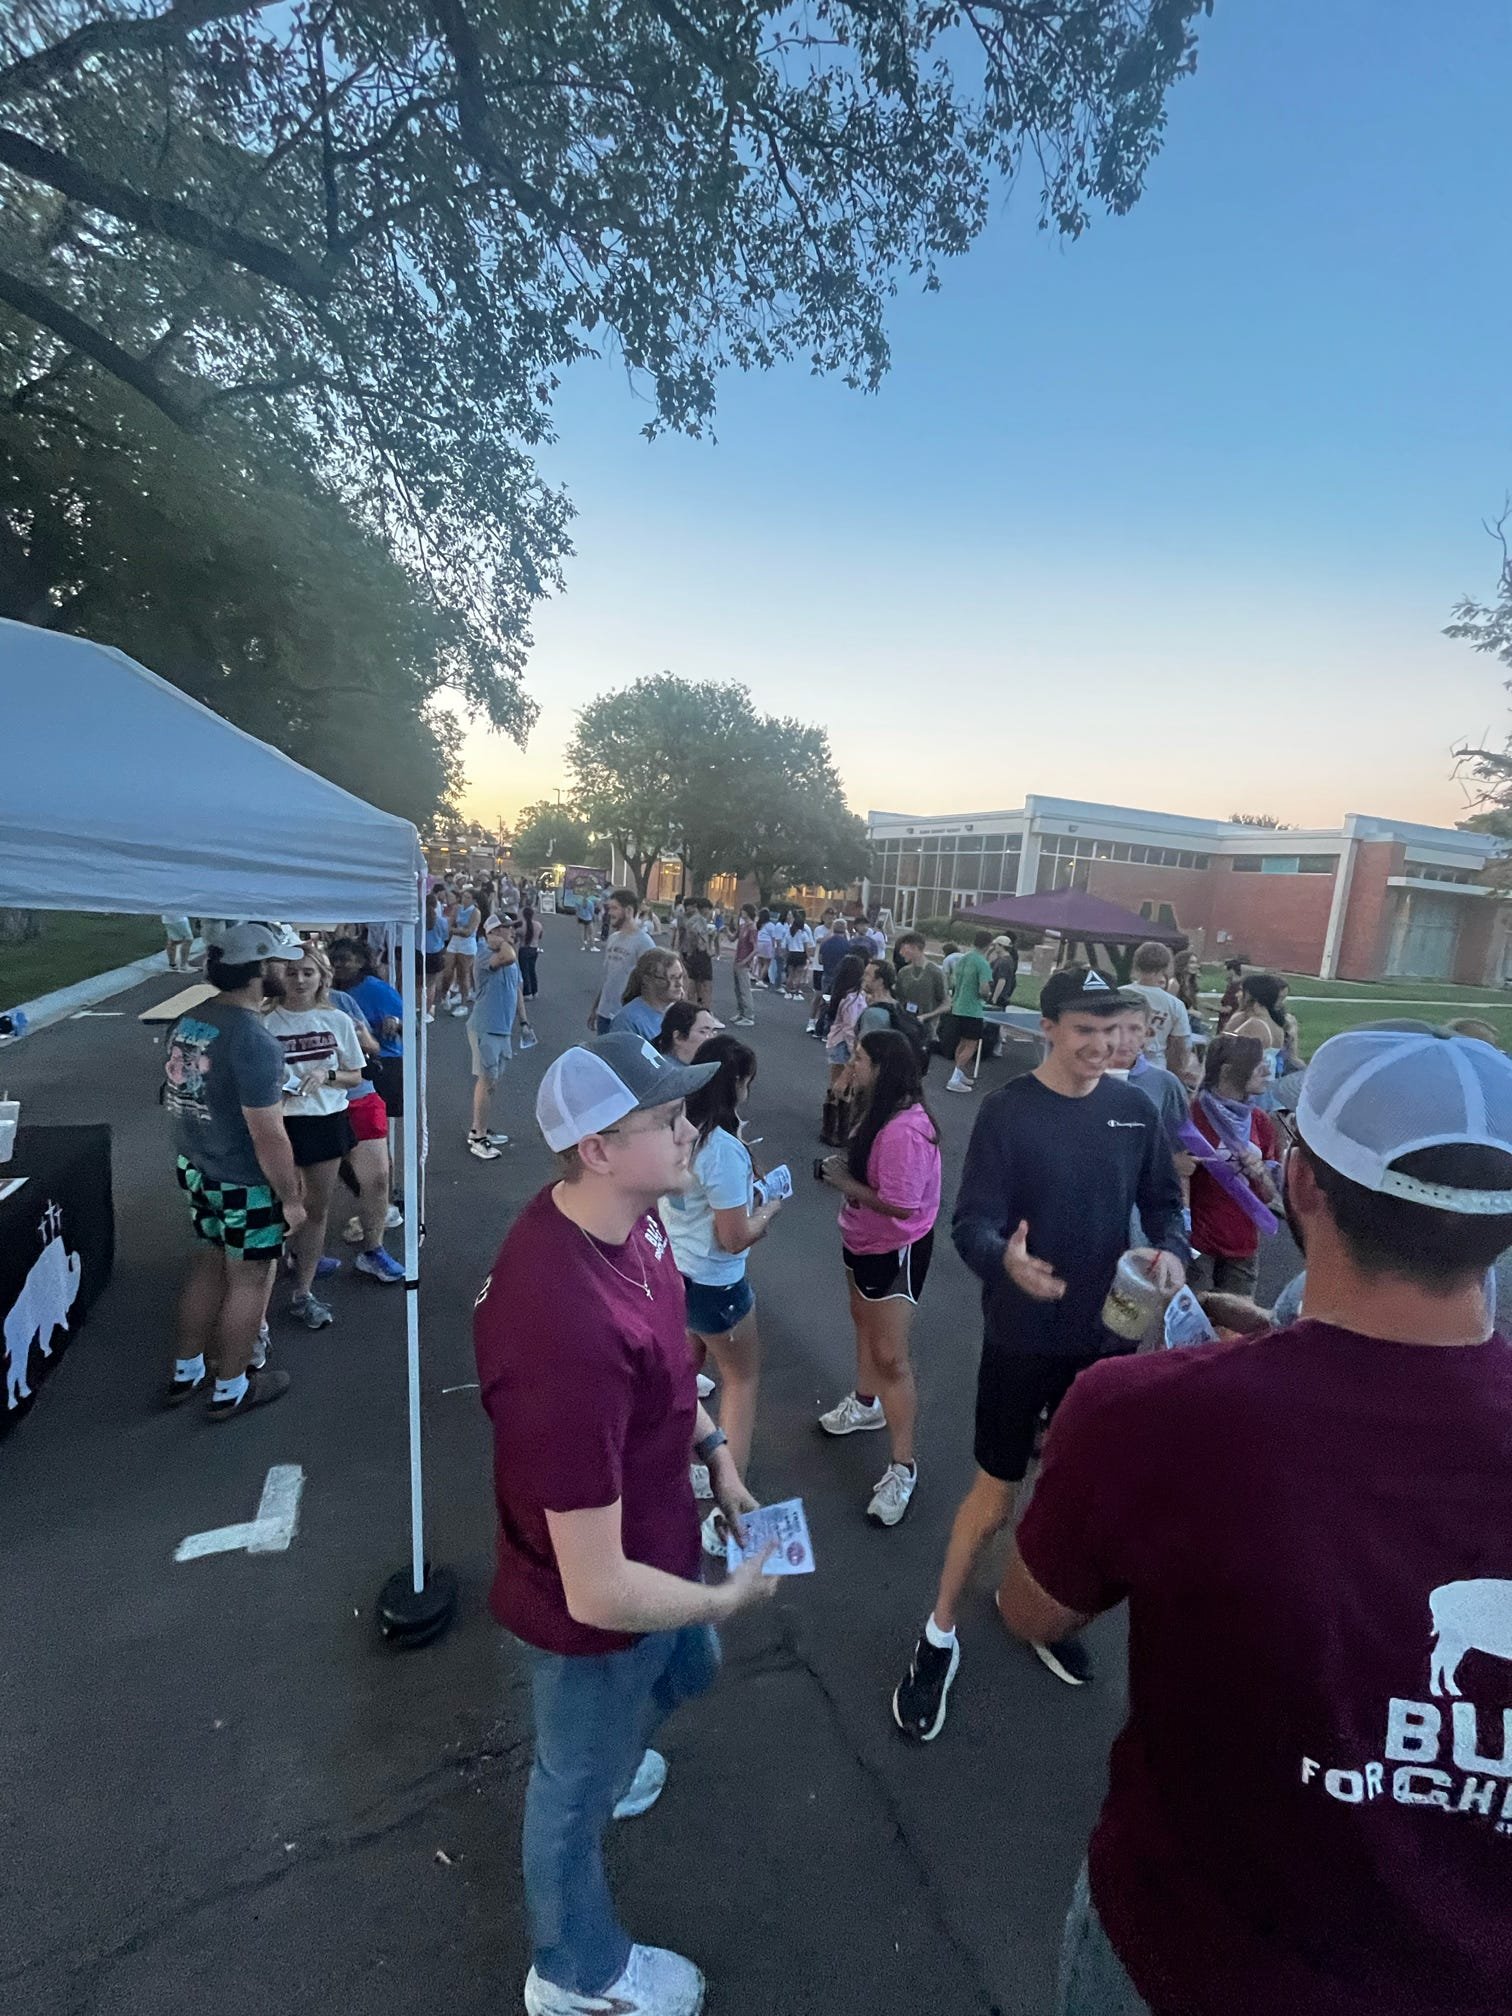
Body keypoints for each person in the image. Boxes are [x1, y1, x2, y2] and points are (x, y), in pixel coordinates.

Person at [999, 1026, 1512, 2016]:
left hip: (1188, 1958)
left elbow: (1031, 1610)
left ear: (1301, 1182)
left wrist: (1100, 1436)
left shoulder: (1145, 1413)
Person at [474, 1032, 776, 2016]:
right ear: (597, 1149)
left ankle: (608, 1762)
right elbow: (598, 1591)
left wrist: (717, 1457)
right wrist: (727, 1594)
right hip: (594, 1612)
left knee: (690, 1669)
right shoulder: (560, 1326)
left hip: (657, 1542)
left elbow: (667, 1374)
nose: (693, 1130)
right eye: (668, 1118)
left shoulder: (634, 1227)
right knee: (569, 1797)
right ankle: (577, 1974)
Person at [892, 965, 1187, 1736]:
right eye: (1085, 1029)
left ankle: (1037, 1613)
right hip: (1022, 1338)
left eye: (1113, 1029)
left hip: (1107, 1337)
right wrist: (1006, 1260)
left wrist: (1172, 1249)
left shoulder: (1133, 1109)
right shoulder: (1009, 1111)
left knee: (1070, 1492)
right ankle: (939, 1633)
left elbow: (1164, 1204)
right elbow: (972, 1224)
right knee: (994, 1497)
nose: (1102, 1044)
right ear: (1047, 1029)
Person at [162, 921, 307, 1418]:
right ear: (259, 968)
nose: (286, 969)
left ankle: (187, 1370)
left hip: (197, 1165)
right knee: (249, 1281)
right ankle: (231, 1387)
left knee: (206, 1263)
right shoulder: (252, 1040)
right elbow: (268, 1133)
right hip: (242, 1181)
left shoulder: (190, 1020)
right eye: (280, 961)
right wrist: (291, 1198)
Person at [660, 1034, 781, 1556]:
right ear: (734, 1085)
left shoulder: (678, 1131)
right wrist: (768, 1211)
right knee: (741, 1381)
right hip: (717, 1284)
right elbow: (733, 1237)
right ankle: (729, 1513)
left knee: (683, 1371)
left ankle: (680, 1464)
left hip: (676, 1272)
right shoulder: (724, 1151)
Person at [817, 1029, 942, 1527]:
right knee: (863, 1322)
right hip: (862, 1240)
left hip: (895, 1249)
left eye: (860, 1058)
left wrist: (843, 1181)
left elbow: (902, 1204)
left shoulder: (905, 1130)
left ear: (884, 1069)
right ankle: (866, 1403)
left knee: (891, 1356)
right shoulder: (877, 1109)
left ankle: (903, 1467)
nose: (853, 1063)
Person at [263, 946, 367, 1327]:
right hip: (279, 1122)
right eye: (292, 973)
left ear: (322, 977)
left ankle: (303, 1291)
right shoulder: (265, 1022)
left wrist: (327, 1075)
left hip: (324, 1119)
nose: (300, 980)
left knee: (316, 1210)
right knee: (276, 1210)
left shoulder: (337, 1020)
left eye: (308, 972)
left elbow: (355, 1075)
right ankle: (260, 1300)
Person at [1186, 1035, 1280, 1296]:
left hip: (1243, 1244)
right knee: (1195, 1316)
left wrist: (1261, 1174)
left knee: (1238, 1320)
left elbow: (1271, 1195)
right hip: (1198, 1242)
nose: (1266, 1071)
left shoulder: (1260, 1121)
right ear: (1228, 1071)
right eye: (1257, 1065)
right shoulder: (1191, 1115)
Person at [469, 916, 530, 1162]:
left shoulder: (508, 953)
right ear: (494, 931)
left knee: (492, 1082)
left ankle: (480, 1127)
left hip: (502, 1029)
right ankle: (478, 1136)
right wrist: (498, 942)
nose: (513, 932)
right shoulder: (486, 954)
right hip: (485, 1026)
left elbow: (517, 989)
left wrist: (524, 1021)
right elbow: (508, 958)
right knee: (486, 1080)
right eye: (507, 928)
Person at [329, 937, 406, 1129]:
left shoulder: (376, 988)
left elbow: (413, 1027)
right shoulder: (330, 990)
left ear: (360, 962)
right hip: (347, 1065)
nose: (337, 964)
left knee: (376, 1125)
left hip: (383, 1063)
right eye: (333, 960)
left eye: (344, 959)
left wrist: (396, 1022)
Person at [1226, 970, 1304, 1108]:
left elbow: (1225, 1054)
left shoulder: (1254, 1024)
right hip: (1266, 1089)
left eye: (1241, 991)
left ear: (1251, 995)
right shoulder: (1275, 1024)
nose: (1237, 994)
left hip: (1248, 1092)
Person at [589, 890, 657, 1036]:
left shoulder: (644, 942)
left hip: (627, 1017)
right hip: (604, 1014)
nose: (609, 913)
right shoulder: (613, 938)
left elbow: (652, 982)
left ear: (629, 911)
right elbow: (609, 977)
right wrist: (596, 1008)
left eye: (614, 908)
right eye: (609, 908)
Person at [1126, 940, 1194, 1080]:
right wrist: (1176, 1075)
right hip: (1156, 1067)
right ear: (1166, 967)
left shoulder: (1119, 995)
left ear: (1136, 964)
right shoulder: (1174, 1004)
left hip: (1119, 1065)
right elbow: (1180, 1047)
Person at [821, 953, 868, 1145]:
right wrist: (854, 1050)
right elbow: (850, 1028)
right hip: (844, 1044)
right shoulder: (853, 999)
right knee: (843, 1086)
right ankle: (840, 1130)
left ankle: (829, 1127)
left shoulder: (841, 995)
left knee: (835, 1084)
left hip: (835, 1040)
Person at [943, 930, 994, 1094]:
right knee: (971, 1045)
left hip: (958, 1006)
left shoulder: (963, 959)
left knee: (962, 1042)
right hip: (972, 1010)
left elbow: (954, 982)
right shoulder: (982, 963)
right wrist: (987, 995)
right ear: (989, 945)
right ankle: (954, 1079)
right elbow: (984, 989)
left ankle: (958, 1073)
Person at [610, 949, 686, 1042]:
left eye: (680, 977)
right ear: (647, 980)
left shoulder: (681, 1013)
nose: (679, 984)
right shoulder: (628, 1020)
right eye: (671, 978)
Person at [445, 888, 482, 1014]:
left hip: (467, 945)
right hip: (455, 942)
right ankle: (447, 994)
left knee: (463, 973)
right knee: (447, 970)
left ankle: (463, 1004)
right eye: (464, 896)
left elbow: (469, 932)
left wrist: (456, 930)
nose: (464, 899)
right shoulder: (457, 908)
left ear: (473, 900)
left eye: (468, 897)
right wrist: (459, 930)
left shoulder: (475, 912)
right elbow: (450, 926)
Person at [654, 1000, 724, 1064]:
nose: (712, 1038)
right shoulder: (664, 1071)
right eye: (703, 1032)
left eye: (713, 1031)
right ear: (678, 1037)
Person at [679, 898, 715, 1012]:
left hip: (691, 954)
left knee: (693, 983)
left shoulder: (690, 920)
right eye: (709, 910)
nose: (710, 912)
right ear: (705, 909)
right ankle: (705, 1010)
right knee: (705, 984)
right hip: (701, 954)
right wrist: (707, 949)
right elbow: (698, 937)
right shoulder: (701, 920)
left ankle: (692, 1009)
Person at [423, 885, 450, 1019]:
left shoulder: (418, 920)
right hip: (435, 953)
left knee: (418, 984)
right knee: (431, 984)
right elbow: (445, 937)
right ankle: (428, 1010)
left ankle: (418, 1006)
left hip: (420, 952)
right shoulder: (442, 921)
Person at [731, 903, 758, 1026]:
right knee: (737, 988)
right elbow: (733, 938)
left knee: (744, 989)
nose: (741, 912)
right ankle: (741, 1012)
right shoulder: (742, 926)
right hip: (737, 960)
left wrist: (746, 960)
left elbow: (755, 949)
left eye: (743, 910)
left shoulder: (752, 928)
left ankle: (749, 1015)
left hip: (744, 962)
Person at [783, 908, 814, 999]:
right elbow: (806, 947)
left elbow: (785, 945)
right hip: (800, 955)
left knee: (790, 975)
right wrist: (809, 958)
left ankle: (788, 992)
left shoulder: (789, 933)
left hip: (791, 954)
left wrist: (786, 955)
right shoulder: (803, 934)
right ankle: (796, 994)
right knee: (799, 976)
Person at [518, 900, 544, 1000]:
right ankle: (534, 991)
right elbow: (540, 936)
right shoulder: (538, 925)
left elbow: (516, 935)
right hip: (534, 949)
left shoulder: (522, 926)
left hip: (524, 949)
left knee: (524, 971)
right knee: (532, 970)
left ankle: (527, 992)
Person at [1216, 954, 1248, 1031]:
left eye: (1225, 971)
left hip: (1227, 1023)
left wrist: (1209, 1007)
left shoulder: (1233, 988)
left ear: (1231, 971)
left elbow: (1227, 1009)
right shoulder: (1243, 985)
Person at [753, 908, 777, 991]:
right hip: (767, 943)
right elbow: (773, 937)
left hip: (759, 942)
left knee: (760, 961)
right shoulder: (770, 925)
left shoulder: (759, 924)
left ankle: (758, 977)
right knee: (767, 963)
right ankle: (761, 979)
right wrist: (773, 947)